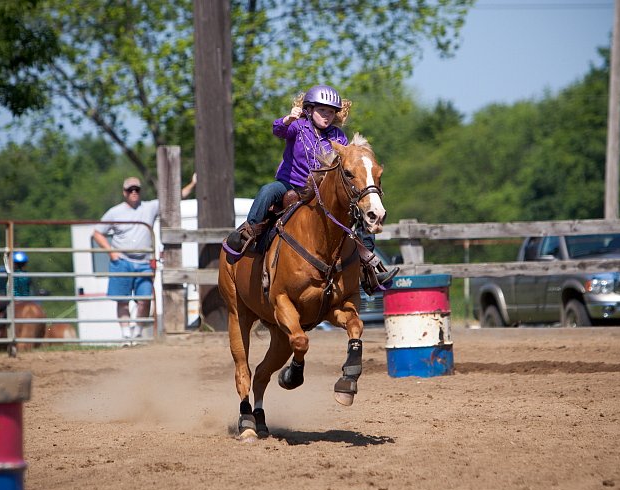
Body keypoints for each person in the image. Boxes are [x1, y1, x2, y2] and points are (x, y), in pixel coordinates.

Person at [224, 84, 398, 289]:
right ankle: (248, 235)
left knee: (359, 210)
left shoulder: (338, 137)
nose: (327, 115)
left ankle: (368, 265)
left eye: (331, 112)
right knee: (267, 191)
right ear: (308, 109)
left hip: (322, 192)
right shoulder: (298, 126)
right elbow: (278, 130)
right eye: (322, 110)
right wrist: (288, 119)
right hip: (291, 184)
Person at [93, 173, 197, 343]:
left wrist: (192, 184)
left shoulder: (149, 207)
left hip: (143, 262)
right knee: (122, 301)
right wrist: (111, 252)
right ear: (124, 192)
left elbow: (174, 199)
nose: (134, 192)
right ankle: (126, 335)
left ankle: (138, 332)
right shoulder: (114, 212)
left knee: (144, 300)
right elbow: (98, 233)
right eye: (130, 189)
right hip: (122, 262)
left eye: (137, 189)